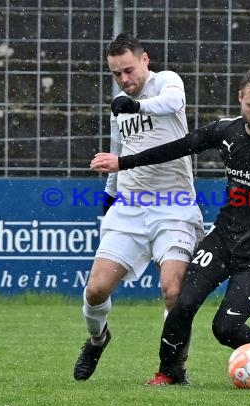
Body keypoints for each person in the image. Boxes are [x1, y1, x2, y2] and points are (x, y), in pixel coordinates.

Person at [90, 67, 250, 385]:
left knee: (224, 329)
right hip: (222, 240)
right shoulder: (226, 131)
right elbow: (179, 147)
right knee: (181, 302)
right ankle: (168, 374)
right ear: (240, 98)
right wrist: (123, 162)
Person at [73, 33, 203, 383]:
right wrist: (109, 200)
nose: (124, 80)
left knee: (173, 290)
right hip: (129, 208)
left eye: (128, 70)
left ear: (145, 59)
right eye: (117, 74)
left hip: (173, 205)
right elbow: (118, 153)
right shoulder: (119, 104)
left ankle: (174, 367)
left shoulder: (167, 83)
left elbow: (172, 104)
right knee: (95, 289)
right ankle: (98, 339)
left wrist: (138, 106)